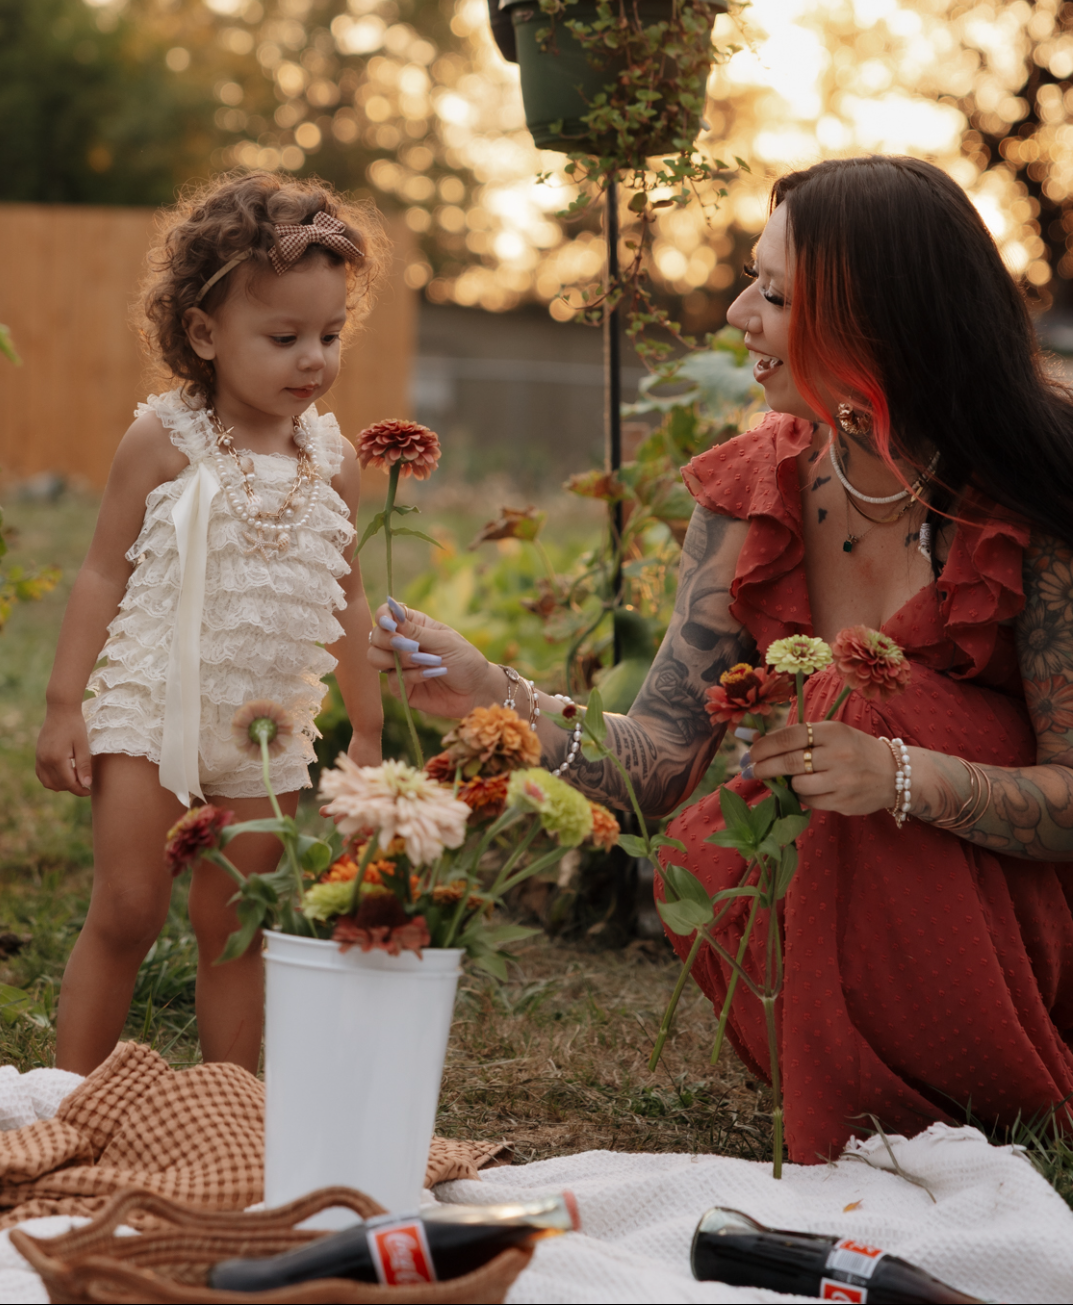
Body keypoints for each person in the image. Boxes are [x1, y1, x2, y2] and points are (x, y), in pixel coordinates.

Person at [369, 156, 1073, 1162]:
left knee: (861, 700)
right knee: (752, 790)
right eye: (751, 279)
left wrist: (900, 776)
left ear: (875, 318)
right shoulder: (757, 492)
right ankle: (862, 1096)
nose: (739, 309)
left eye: (774, 293)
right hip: (841, 928)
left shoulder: (1033, 501)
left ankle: (979, 1092)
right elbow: (660, 758)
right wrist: (496, 696)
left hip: (1026, 945)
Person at [37, 173, 384, 1074]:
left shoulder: (334, 462)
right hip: (150, 713)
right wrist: (64, 704)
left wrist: (370, 726)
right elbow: (101, 570)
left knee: (242, 921)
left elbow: (346, 598)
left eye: (331, 335)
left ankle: (226, 1107)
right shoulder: (165, 439)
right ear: (203, 333)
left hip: (265, 733)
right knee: (128, 906)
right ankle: (66, 1103)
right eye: (284, 337)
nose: (314, 359)